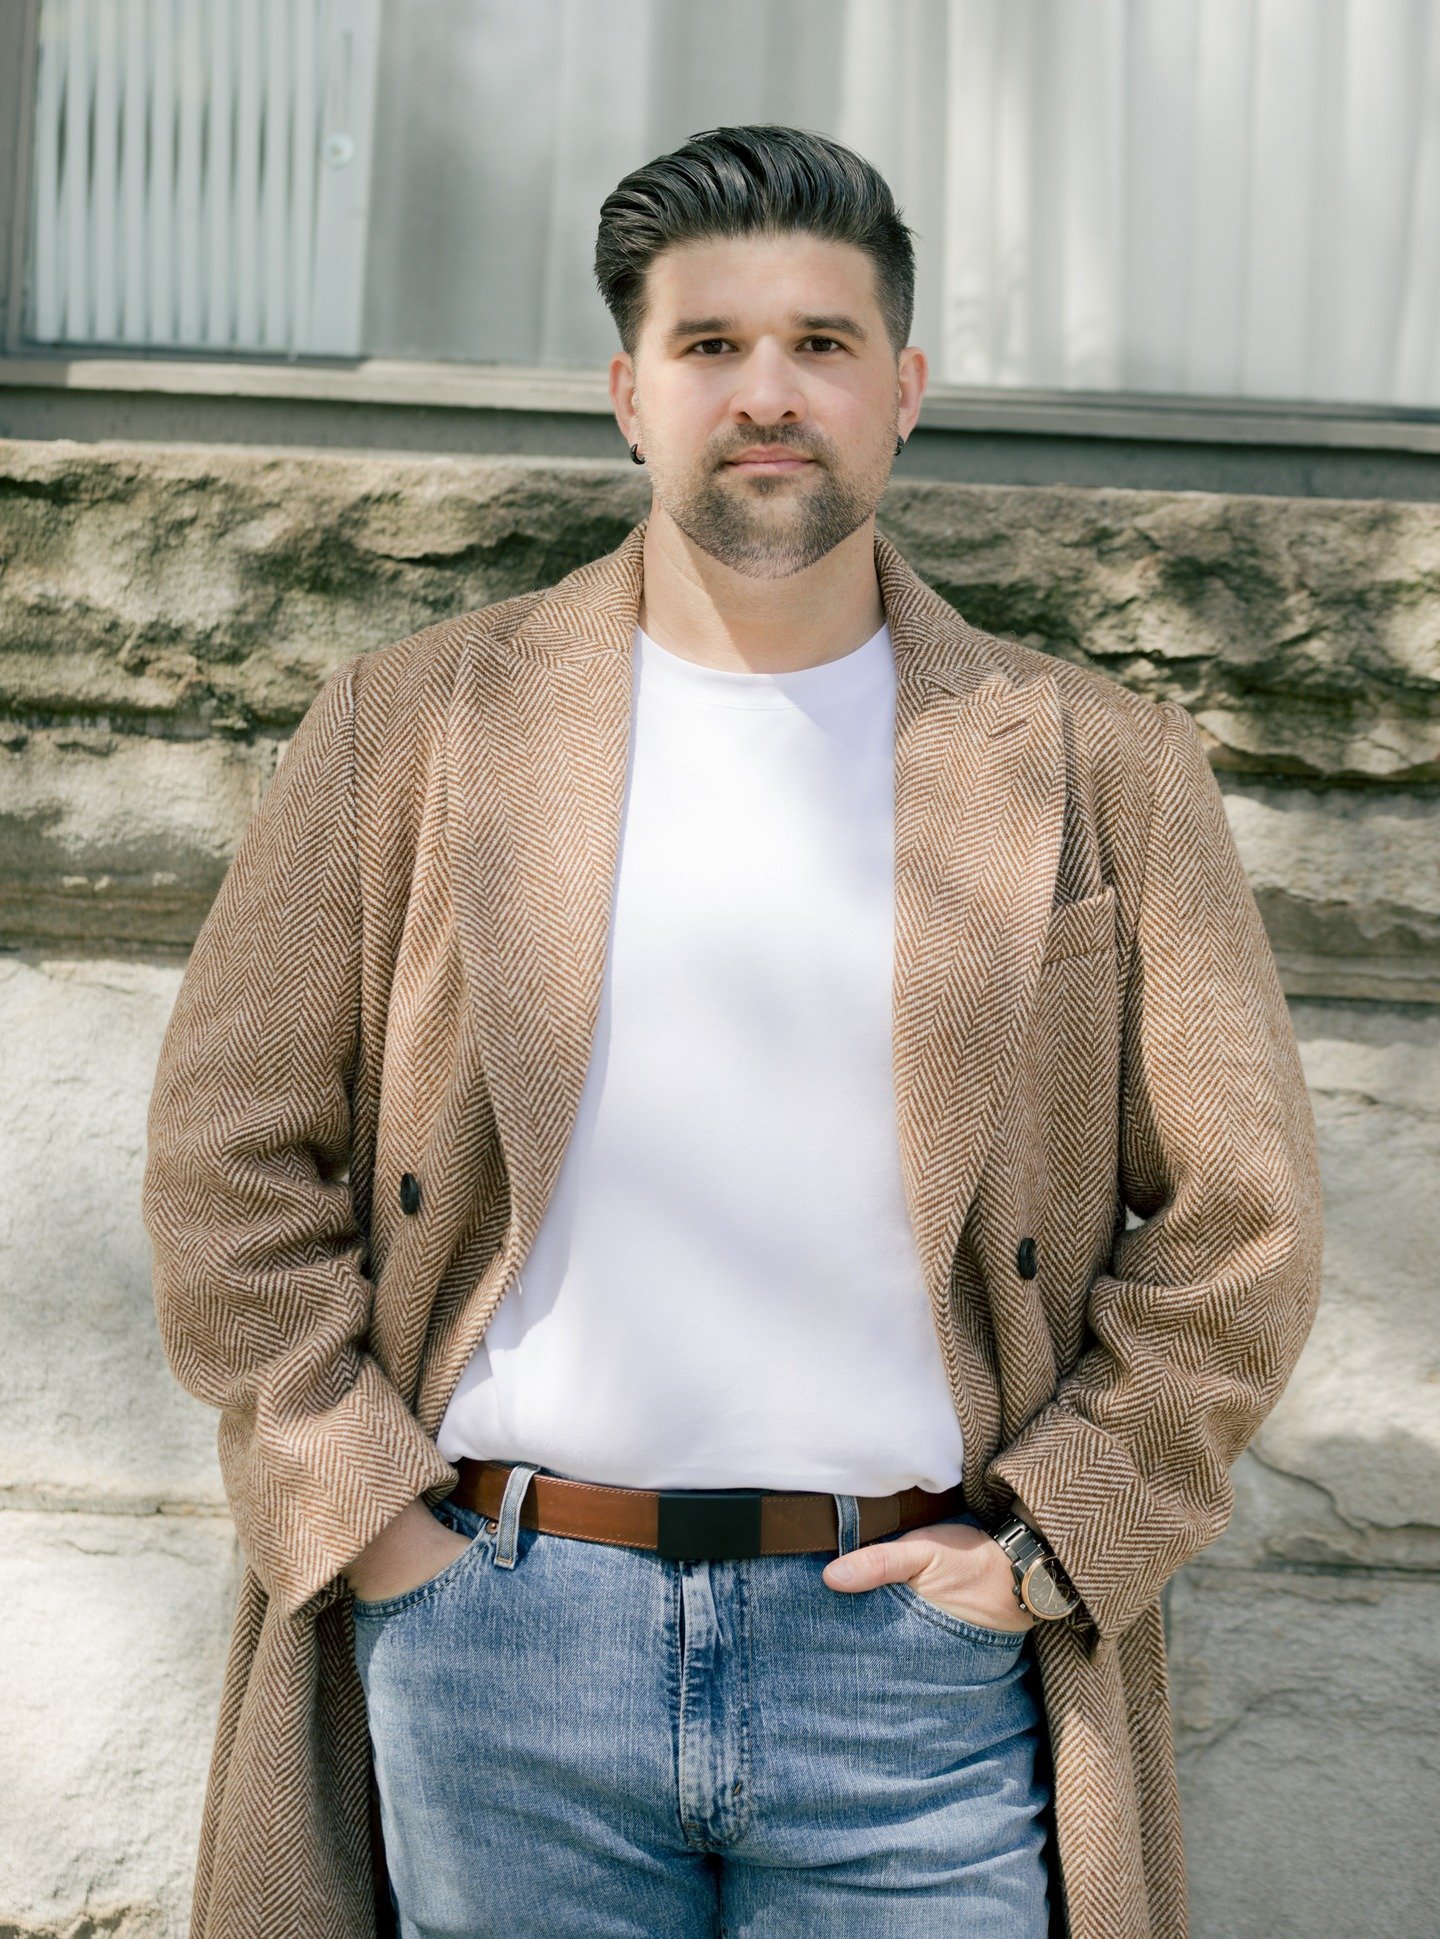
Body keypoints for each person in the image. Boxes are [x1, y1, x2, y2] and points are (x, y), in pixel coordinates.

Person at [142, 125, 1324, 1939]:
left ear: (905, 389)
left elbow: (1246, 1222)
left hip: (918, 1671)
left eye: (821, 345)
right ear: (628, 393)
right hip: (500, 1645)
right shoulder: (410, 729)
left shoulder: (1100, 764)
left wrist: (1049, 1547)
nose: (766, 393)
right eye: (710, 347)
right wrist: (376, 1527)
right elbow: (226, 1164)